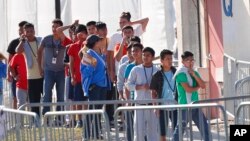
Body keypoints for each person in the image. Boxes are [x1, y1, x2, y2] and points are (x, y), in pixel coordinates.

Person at [172, 51, 211, 141]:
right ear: (183, 61)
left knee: (205, 128)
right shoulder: (180, 73)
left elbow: (203, 85)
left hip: (195, 105)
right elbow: (188, 89)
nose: (190, 62)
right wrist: (197, 86)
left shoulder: (194, 71)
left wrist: (194, 75)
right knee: (179, 131)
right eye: (188, 60)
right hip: (184, 106)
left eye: (192, 60)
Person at [37, 19, 72, 116]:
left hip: (61, 71)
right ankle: (46, 117)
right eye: (53, 26)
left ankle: (59, 118)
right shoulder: (46, 39)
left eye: (57, 27)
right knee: (47, 95)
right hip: (48, 71)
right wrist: (40, 68)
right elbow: (39, 52)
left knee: (60, 96)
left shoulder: (64, 40)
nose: (54, 29)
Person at [126, 47, 159, 141]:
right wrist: (140, 87)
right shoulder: (136, 69)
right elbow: (128, 85)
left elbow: (160, 87)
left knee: (153, 132)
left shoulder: (157, 70)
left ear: (152, 57)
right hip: (139, 104)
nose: (145, 57)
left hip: (152, 105)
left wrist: (153, 89)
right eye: (144, 55)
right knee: (138, 132)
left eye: (148, 55)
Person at [107, 12, 149, 83]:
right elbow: (110, 56)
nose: (122, 24)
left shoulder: (135, 32)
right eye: (120, 22)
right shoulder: (115, 37)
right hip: (121, 71)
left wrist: (132, 23)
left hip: (137, 70)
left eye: (124, 22)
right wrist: (111, 72)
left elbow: (146, 20)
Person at [80, 35, 108, 140]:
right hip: (94, 86)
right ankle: (86, 135)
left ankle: (96, 133)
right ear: (96, 42)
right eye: (99, 40)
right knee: (92, 110)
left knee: (98, 110)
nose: (101, 41)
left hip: (103, 86)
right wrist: (92, 66)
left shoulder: (100, 54)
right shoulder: (88, 54)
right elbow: (84, 71)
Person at [15, 23, 43, 116]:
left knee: (46, 98)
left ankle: (47, 119)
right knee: (34, 100)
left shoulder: (40, 40)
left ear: (34, 31)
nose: (30, 33)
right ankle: (36, 120)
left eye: (31, 31)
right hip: (31, 77)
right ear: (24, 33)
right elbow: (17, 51)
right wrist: (22, 41)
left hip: (43, 74)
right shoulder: (24, 44)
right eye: (27, 31)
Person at [150, 49, 178, 141]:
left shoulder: (177, 72)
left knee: (177, 132)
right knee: (162, 133)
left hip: (176, 106)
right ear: (161, 61)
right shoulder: (157, 75)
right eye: (167, 59)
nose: (170, 61)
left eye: (171, 58)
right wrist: (155, 107)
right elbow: (153, 92)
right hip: (162, 107)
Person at [68, 24, 88, 128]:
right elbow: (71, 63)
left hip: (88, 78)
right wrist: (72, 76)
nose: (80, 36)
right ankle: (79, 120)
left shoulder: (90, 45)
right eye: (78, 34)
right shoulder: (73, 46)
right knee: (78, 100)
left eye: (83, 33)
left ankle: (87, 119)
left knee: (87, 100)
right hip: (78, 77)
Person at [6, 21, 28, 109]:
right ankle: (16, 120)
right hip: (16, 75)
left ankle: (31, 120)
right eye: (19, 30)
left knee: (29, 100)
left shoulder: (31, 41)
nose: (20, 31)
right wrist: (9, 75)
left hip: (28, 76)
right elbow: (10, 60)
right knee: (15, 97)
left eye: (21, 29)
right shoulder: (13, 42)